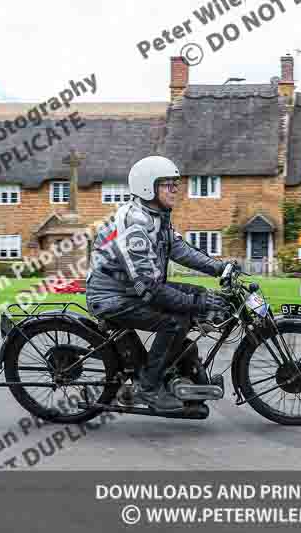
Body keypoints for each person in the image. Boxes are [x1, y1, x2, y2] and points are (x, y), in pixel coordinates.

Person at [85, 155, 232, 412]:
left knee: (196, 296)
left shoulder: (157, 216)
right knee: (175, 320)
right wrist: (196, 304)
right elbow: (149, 288)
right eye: (168, 184)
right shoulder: (135, 226)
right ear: (147, 187)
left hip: (131, 290)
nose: (176, 190)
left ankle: (177, 364)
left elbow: (180, 250)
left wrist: (220, 268)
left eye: (176, 184)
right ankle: (148, 387)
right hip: (113, 298)